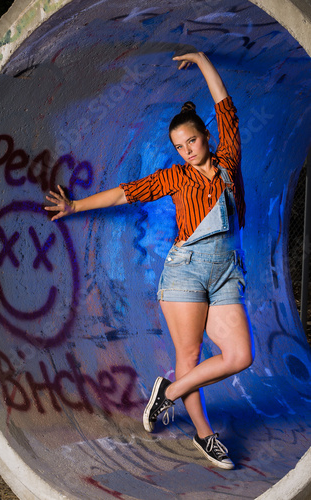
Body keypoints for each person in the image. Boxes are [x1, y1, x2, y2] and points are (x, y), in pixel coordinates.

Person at [45, 51, 254, 470]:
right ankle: (203, 435)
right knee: (190, 356)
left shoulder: (229, 160)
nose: (187, 151)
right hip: (185, 273)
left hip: (227, 271)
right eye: (179, 146)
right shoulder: (175, 176)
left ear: (207, 138)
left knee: (239, 356)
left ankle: (168, 394)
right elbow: (126, 192)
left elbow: (224, 106)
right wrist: (74, 207)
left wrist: (200, 60)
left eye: (192, 141)